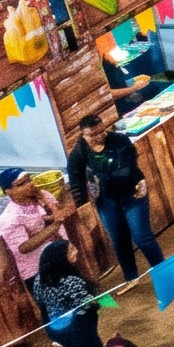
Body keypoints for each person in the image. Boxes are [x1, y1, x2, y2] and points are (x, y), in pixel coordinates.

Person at [69, 113, 156, 281]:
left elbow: (129, 168)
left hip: (132, 193)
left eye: (101, 131)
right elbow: (76, 181)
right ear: (83, 134)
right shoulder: (78, 154)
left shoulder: (119, 140)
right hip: (106, 201)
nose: (99, 136)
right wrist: (82, 205)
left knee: (142, 237)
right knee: (119, 240)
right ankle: (131, 277)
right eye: (93, 134)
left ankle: (161, 269)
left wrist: (105, 178)